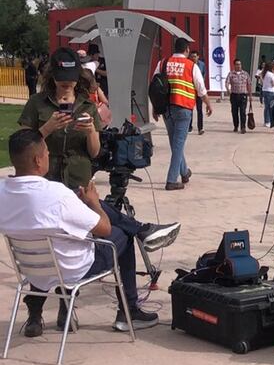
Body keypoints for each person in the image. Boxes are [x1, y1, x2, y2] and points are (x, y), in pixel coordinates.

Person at [0, 130, 182, 336]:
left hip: (32, 269)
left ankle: (141, 229)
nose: (49, 156)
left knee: (42, 234)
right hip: (71, 269)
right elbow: (104, 229)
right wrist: (94, 203)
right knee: (121, 236)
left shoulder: (3, 191)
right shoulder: (57, 194)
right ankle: (128, 310)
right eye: (47, 153)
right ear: (37, 159)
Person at [19, 48, 102, 190]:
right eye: (61, 76)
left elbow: (94, 152)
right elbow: (22, 145)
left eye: (71, 77)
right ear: (52, 75)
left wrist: (91, 132)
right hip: (45, 180)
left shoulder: (88, 106)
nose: (67, 81)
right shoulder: (37, 102)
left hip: (78, 181)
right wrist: (46, 129)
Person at [154, 38, 213, 190]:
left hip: (166, 109)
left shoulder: (163, 63)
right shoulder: (191, 65)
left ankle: (184, 172)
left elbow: (155, 86)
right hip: (183, 109)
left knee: (175, 144)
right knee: (178, 145)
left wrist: (155, 108)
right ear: (187, 50)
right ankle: (171, 180)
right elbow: (201, 88)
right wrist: (208, 104)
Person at [226, 58, 252, 133]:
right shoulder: (231, 74)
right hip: (234, 95)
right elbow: (227, 82)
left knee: (243, 112)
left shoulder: (245, 74)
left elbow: (249, 84)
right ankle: (236, 126)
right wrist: (228, 89)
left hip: (243, 95)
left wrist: (250, 96)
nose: (238, 66)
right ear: (234, 65)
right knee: (234, 112)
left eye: (240, 64)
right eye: (237, 64)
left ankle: (243, 127)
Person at [189, 50, 208, 135]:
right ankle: (189, 127)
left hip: (198, 90)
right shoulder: (188, 64)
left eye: (195, 56)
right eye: (192, 56)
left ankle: (200, 128)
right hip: (190, 90)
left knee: (199, 109)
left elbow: (204, 75)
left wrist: (200, 85)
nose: (193, 58)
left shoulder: (202, 65)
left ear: (198, 57)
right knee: (190, 109)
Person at [261, 59, 274, 127]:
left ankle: (266, 121)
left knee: (266, 107)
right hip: (270, 91)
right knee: (270, 107)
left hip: (265, 90)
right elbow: (273, 84)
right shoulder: (271, 74)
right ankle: (269, 121)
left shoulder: (265, 73)